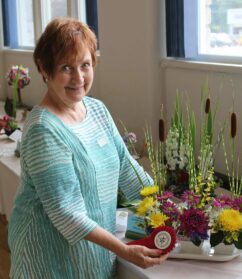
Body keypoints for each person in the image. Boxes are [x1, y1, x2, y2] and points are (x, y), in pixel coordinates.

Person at [8, 17, 168, 279]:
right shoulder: (43, 129)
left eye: (85, 65)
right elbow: (67, 214)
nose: (79, 77)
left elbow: (129, 171)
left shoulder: (96, 110)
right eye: (66, 68)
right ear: (44, 68)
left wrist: (169, 211)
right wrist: (124, 251)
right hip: (46, 259)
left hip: (91, 253)